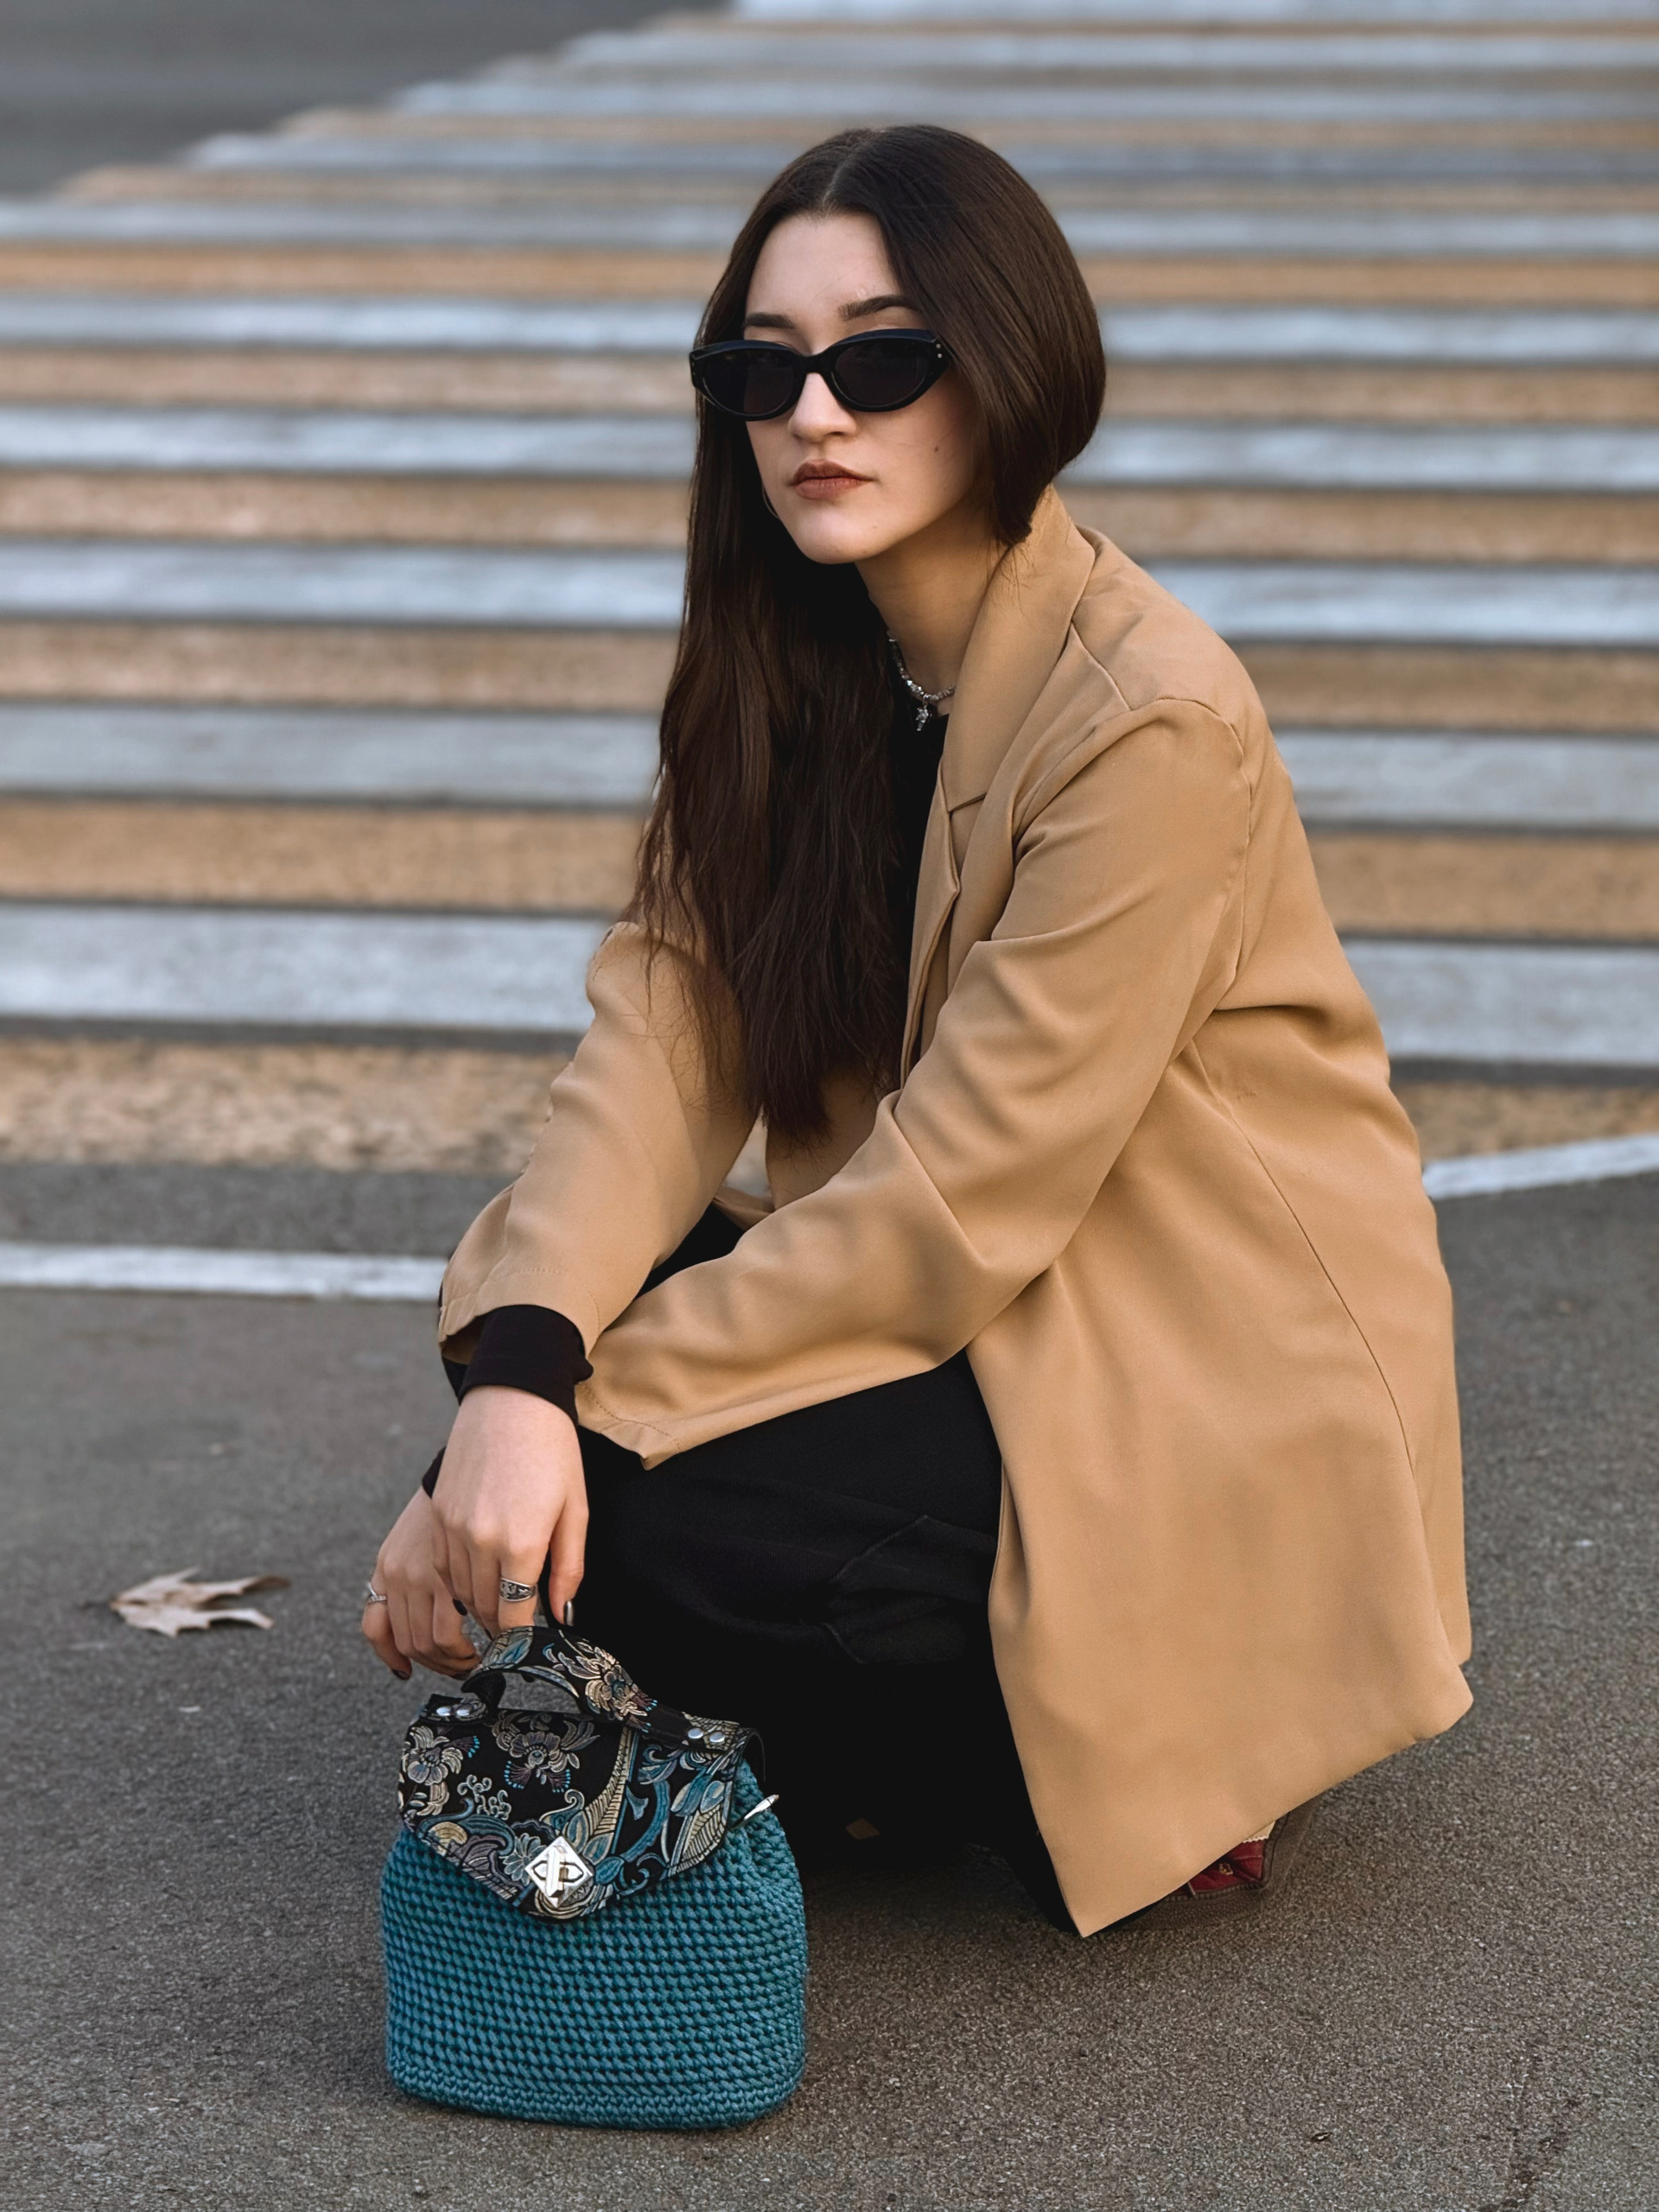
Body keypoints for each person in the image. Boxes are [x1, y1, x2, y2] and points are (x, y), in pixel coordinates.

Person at [362, 124, 1471, 1937]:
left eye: (880, 359)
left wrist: (545, 1435)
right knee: (529, 1313)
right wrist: (519, 1375)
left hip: (1176, 1360)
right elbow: (659, 1044)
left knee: (622, 1509)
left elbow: (960, 1200)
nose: (816, 412)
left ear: (1005, 364)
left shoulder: (1149, 718)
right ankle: (852, 1717)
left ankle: (1133, 1748)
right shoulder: (789, 662)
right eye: (764, 369)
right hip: (979, 1313)